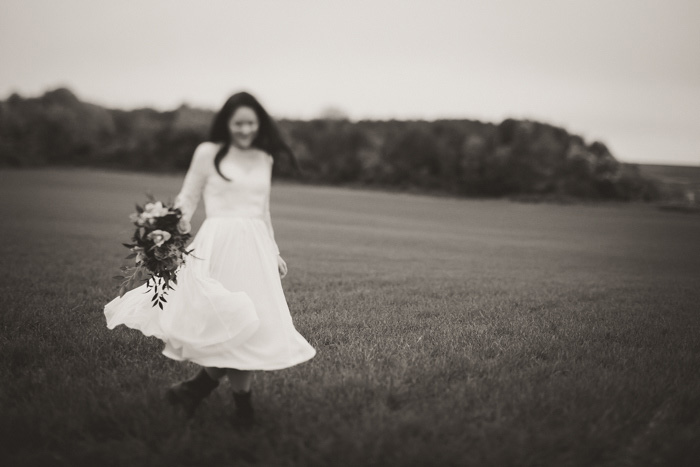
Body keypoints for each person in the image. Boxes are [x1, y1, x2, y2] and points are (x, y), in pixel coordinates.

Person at [104, 92, 316, 427]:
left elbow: (264, 210)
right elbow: (188, 196)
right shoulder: (208, 152)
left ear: (258, 124)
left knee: (251, 325)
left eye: (250, 123)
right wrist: (170, 227)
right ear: (227, 124)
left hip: (256, 247)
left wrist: (273, 250)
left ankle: (195, 391)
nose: (245, 129)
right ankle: (236, 408)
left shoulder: (265, 157)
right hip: (218, 244)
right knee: (230, 323)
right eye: (238, 123)